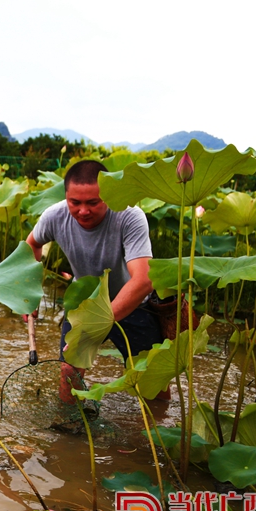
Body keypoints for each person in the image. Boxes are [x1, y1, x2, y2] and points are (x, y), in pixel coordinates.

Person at [24, 160, 167, 401]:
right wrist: (29, 294)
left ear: (108, 196)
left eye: (93, 202)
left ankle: (155, 433)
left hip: (133, 304)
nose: (83, 211)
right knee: (69, 373)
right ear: (66, 197)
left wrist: (97, 325)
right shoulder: (54, 216)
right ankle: (69, 428)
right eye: (75, 203)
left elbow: (143, 280)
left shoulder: (129, 216)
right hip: (85, 302)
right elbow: (32, 245)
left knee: (154, 382)